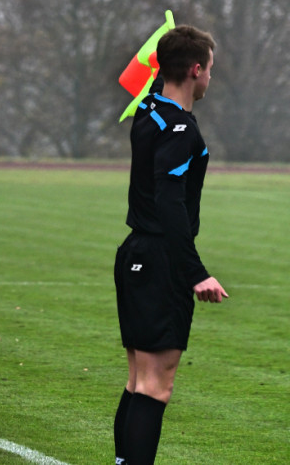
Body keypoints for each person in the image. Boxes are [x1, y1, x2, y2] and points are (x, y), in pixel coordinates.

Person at [113, 25, 229, 464]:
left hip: (134, 254)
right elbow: (170, 202)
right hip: (160, 260)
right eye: (210, 70)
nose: (210, 79)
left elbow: (149, 86)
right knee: (155, 388)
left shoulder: (148, 111)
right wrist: (195, 271)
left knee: (138, 383)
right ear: (196, 70)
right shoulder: (179, 129)